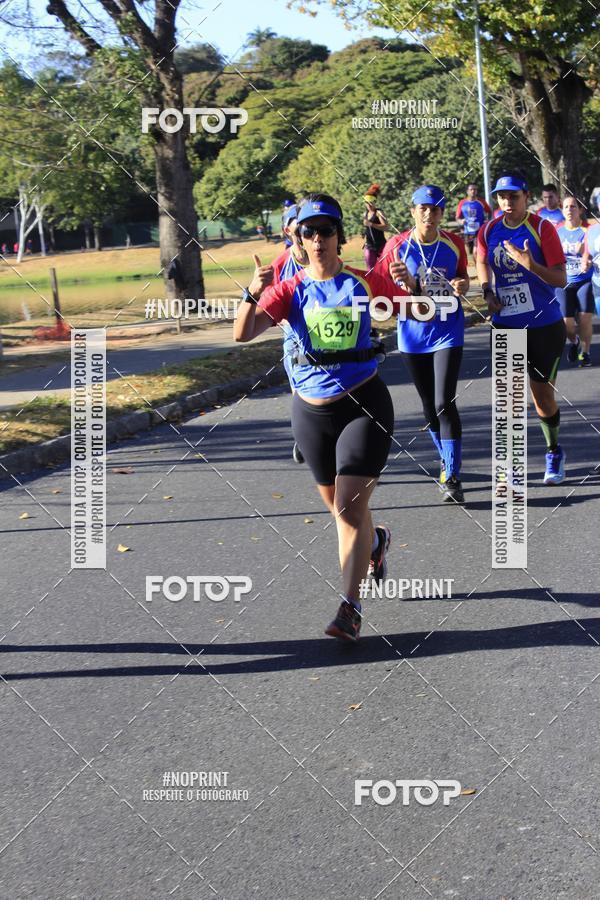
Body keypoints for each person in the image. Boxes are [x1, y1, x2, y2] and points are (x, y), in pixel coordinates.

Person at [234, 193, 422, 642]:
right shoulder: (289, 287)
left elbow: (415, 312)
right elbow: (243, 333)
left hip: (363, 403)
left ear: (340, 237)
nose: (318, 239)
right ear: (298, 238)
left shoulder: (364, 282)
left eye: (326, 231)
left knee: (348, 505)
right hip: (310, 412)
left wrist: (410, 287)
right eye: (309, 232)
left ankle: (350, 607)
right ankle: (375, 542)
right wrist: (252, 292)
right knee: (342, 514)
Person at [375, 185, 470, 503]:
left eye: (436, 209)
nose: (430, 214)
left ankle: (452, 475)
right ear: (413, 211)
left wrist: (461, 284)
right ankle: (446, 460)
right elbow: (378, 287)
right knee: (429, 406)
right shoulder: (397, 245)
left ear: (443, 213)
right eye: (423, 208)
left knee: (445, 401)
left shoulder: (454, 243)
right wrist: (395, 284)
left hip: (447, 331)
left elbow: (462, 279)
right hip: (413, 336)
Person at [476, 172, 567, 485]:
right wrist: (487, 291)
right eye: (502, 197)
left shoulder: (543, 229)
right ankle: (512, 466)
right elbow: (482, 259)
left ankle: (554, 450)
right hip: (506, 326)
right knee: (509, 400)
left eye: (513, 196)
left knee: (542, 398)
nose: (507, 202)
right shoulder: (489, 229)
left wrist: (533, 267)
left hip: (544, 325)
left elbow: (561, 279)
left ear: (526, 197)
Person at [270, 203, 309, 463]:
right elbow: (269, 306)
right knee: (301, 393)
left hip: (329, 340)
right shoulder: (281, 264)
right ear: (287, 229)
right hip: (294, 340)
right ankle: (305, 436)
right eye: (298, 223)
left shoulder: (325, 255)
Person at [556, 196, 594, 367]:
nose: (570, 210)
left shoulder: (588, 232)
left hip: (585, 281)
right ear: (562, 211)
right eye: (566, 207)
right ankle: (575, 342)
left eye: (573, 207)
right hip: (564, 282)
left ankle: (585, 353)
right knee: (567, 325)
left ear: (580, 210)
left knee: (585, 319)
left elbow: (596, 254)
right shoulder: (556, 231)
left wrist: (587, 256)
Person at [455, 183, 491, 260]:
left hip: (479, 231)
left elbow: (489, 212)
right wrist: (460, 221)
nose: (473, 191)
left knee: (476, 252)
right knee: (468, 254)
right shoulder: (462, 203)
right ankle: (471, 267)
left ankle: (478, 268)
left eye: (475, 189)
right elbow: (457, 218)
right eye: (471, 189)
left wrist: (487, 221)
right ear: (467, 191)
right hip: (467, 231)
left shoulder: (481, 201)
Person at [362, 184, 387, 270]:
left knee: (384, 268)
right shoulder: (365, 214)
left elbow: (385, 227)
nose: (369, 205)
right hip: (369, 246)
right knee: (370, 270)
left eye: (371, 203)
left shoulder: (379, 212)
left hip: (381, 245)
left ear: (374, 202)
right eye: (366, 203)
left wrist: (371, 224)